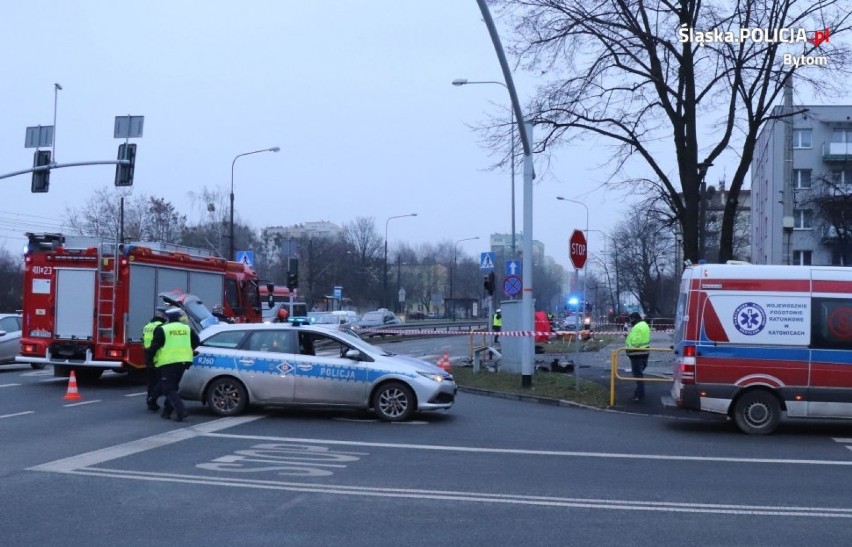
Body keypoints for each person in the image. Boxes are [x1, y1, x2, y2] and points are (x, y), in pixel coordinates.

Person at [149, 307, 200, 421]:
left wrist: (149, 360)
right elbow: (197, 341)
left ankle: (181, 410)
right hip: (184, 361)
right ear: (178, 318)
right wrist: (188, 349)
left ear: (168, 318)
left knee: (168, 388)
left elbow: (154, 347)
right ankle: (167, 411)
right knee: (173, 386)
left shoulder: (162, 329)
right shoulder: (187, 328)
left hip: (168, 362)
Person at [141, 308, 167, 411]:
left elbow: (144, 340)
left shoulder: (147, 325)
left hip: (147, 356)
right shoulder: (160, 327)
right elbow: (159, 343)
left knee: (151, 382)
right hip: (157, 358)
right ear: (163, 316)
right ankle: (152, 400)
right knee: (159, 381)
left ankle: (151, 401)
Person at [625, 311, 651, 402]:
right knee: (639, 374)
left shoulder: (637, 327)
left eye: (630, 319)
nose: (630, 321)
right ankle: (639, 393)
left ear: (633, 319)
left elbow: (636, 341)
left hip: (636, 353)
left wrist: (630, 347)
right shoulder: (644, 325)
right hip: (644, 352)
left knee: (637, 375)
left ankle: (639, 395)